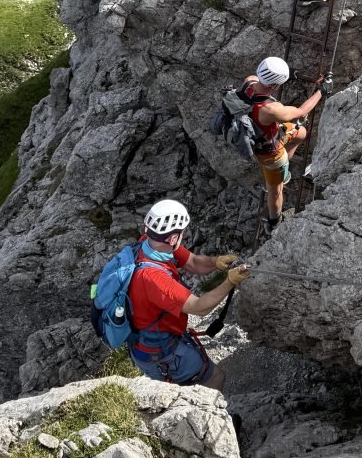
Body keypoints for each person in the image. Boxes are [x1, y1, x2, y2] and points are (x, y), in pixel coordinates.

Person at [126, 199, 250, 391]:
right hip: (162, 353)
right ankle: (209, 419)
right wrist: (230, 282)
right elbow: (199, 307)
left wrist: (216, 262)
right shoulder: (153, 278)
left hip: (155, 341)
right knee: (214, 379)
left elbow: (192, 262)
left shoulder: (150, 245)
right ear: (174, 238)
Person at [236, 56, 330, 233]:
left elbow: (260, 82)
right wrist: (321, 91)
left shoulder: (249, 83)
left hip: (262, 135)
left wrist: (291, 75)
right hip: (270, 153)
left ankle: (282, 168)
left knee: (300, 133)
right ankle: (274, 221)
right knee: (275, 191)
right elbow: (301, 112)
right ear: (274, 86)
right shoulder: (269, 109)